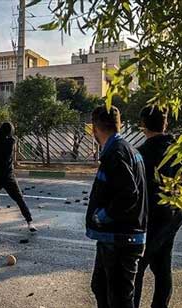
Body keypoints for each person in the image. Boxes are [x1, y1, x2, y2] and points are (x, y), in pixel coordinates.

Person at [86, 105, 147, 308]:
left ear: (95, 128)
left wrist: (102, 216)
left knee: (119, 299)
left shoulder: (116, 154)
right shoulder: (125, 149)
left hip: (121, 239)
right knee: (100, 287)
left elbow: (129, 194)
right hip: (116, 238)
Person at [134, 106, 182, 308]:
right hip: (173, 217)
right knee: (163, 268)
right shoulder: (177, 152)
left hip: (149, 220)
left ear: (143, 125)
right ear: (166, 123)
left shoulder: (141, 155)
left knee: (136, 268)